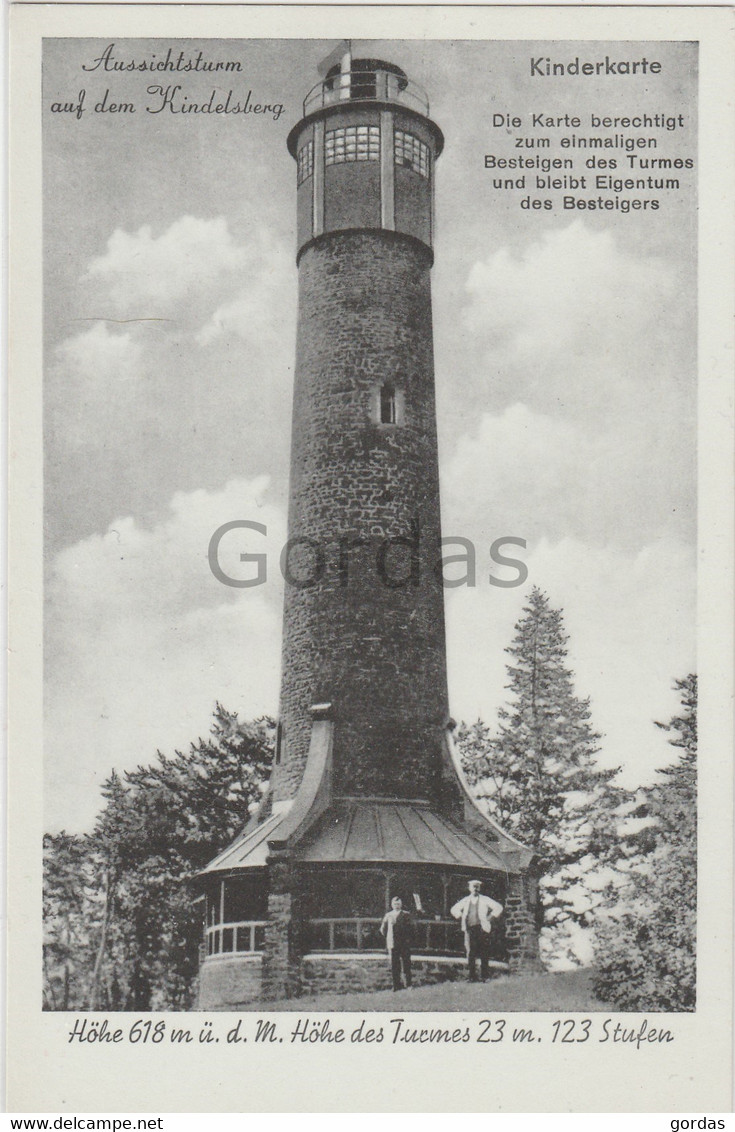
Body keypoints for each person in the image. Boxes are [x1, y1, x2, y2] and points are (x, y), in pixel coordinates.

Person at [451, 879, 503, 982]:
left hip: (482, 929)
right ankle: (472, 977)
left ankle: (485, 976)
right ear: (469, 888)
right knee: (471, 953)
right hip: (470, 929)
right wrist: (462, 917)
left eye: (477, 887)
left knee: (484, 952)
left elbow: (498, 907)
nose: (475, 889)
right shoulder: (466, 900)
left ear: (479, 888)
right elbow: (454, 909)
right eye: (473, 887)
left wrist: (490, 918)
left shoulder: (485, 899)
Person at [380, 896, 413, 991]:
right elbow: (383, 929)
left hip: (404, 943)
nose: (396, 905)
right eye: (395, 904)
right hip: (393, 943)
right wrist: (388, 937)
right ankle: (396, 985)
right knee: (395, 965)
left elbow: (411, 929)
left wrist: (407, 939)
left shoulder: (406, 915)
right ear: (391, 905)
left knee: (406, 964)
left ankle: (408, 984)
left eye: (398, 904)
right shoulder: (388, 915)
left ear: (401, 905)